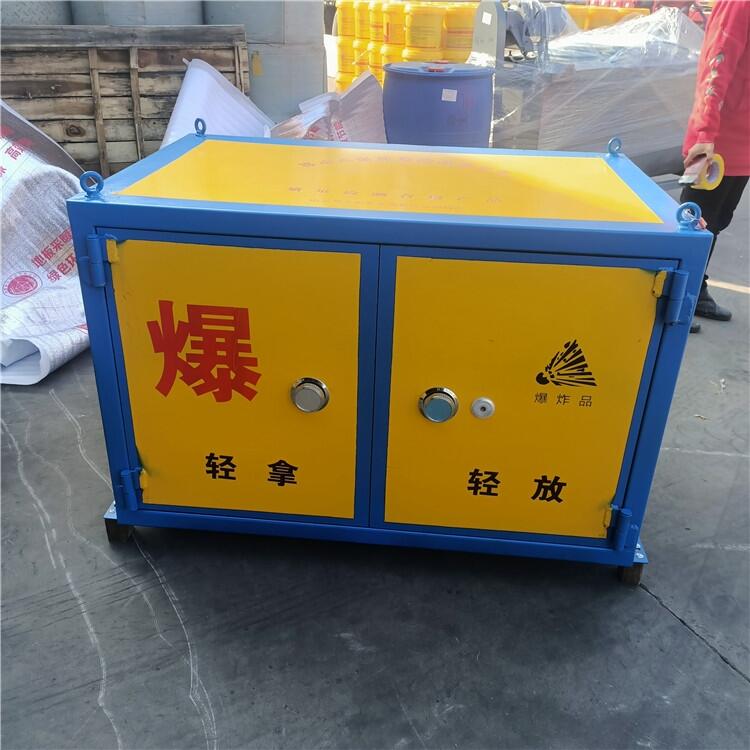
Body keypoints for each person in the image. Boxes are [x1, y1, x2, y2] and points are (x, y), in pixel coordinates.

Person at [680, 0, 749, 332]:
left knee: (716, 222)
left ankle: (695, 288)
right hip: (717, 143)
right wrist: (705, 131)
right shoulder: (739, 5)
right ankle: (674, 297)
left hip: (744, 143)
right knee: (694, 222)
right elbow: (716, 63)